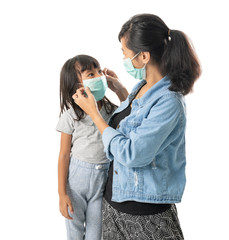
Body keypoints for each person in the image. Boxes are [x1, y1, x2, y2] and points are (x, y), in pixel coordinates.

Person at [73, 14, 201, 239]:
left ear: (143, 56)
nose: (123, 58)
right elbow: (130, 124)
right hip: (114, 204)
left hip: (145, 214)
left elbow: (132, 153)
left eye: (125, 53)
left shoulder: (170, 102)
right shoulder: (141, 87)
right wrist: (120, 91)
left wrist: (94, 113)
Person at [56, 54, 127, 240]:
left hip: (102, 182)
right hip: (76, 182)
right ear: (76, 85)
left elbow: (131, 114)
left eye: (98, 71)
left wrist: (119, 88)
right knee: (75, 232)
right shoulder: (71, 115)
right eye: (90, 74)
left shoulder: (111, 110)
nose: (98, 77)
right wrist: (62, 193)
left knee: (96, 234)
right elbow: (64, 155)